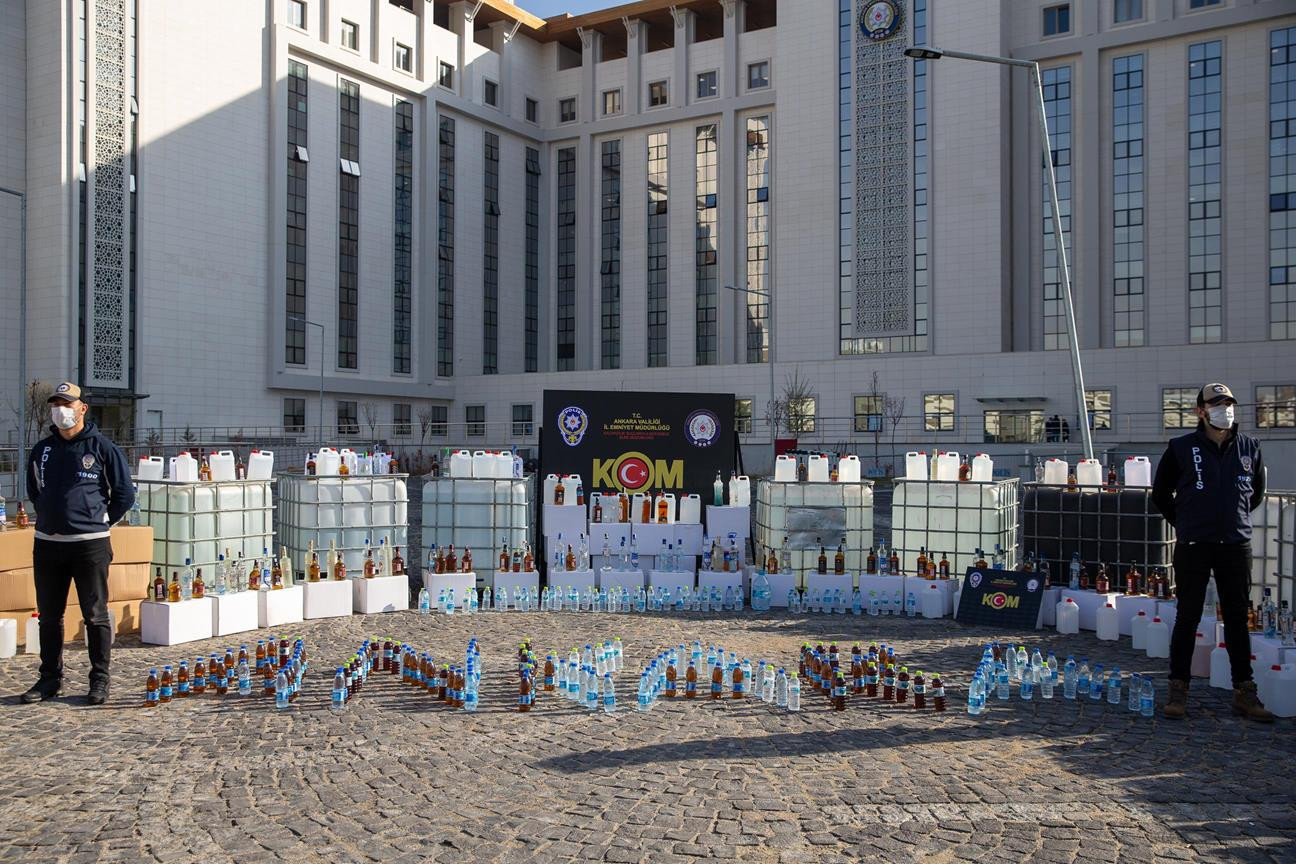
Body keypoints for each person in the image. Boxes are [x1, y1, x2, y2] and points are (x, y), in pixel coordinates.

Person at [1151, 382, 1272, 722]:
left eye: (1228, 404)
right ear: (1200, 411)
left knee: (1237, 619)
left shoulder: (1249, 446)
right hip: (1194, 544)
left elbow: (1256, 493)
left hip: (1235, 544)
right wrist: (1185, 522)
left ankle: (1244, 691)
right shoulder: (1181, 447)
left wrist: (1235, 517)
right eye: (1217, 404)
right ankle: (1178, 688)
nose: (1225, 410)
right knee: (1187, 617)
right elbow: (1160, 493)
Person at [20, 382, 134, 705]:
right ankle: (49, 679)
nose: (61, 411)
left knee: (95, 615)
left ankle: (99, 679)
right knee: (48, 617)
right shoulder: (42, 450)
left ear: (82, 409)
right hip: (48, 544)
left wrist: (100, 520)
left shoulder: (103, 448)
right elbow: (35, 490)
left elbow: (124, 494)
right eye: (56, 405)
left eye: (67, 404)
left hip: (89, 545)